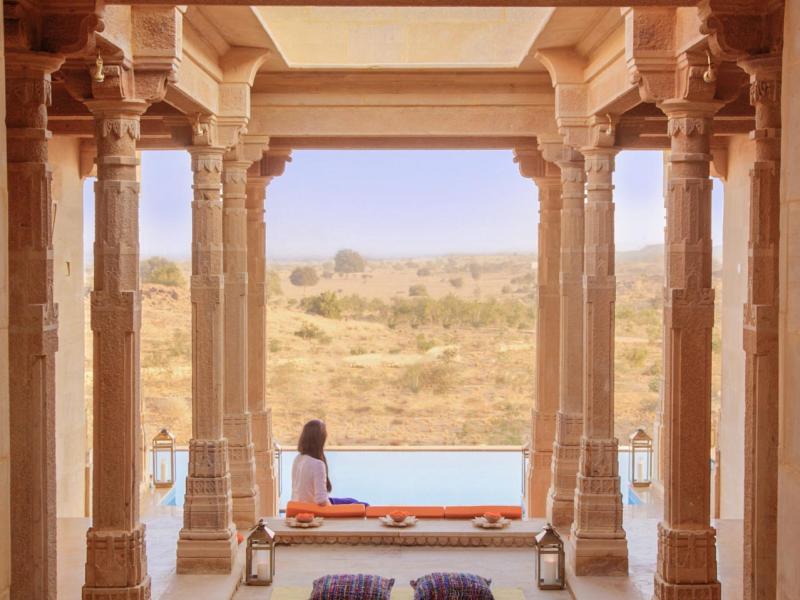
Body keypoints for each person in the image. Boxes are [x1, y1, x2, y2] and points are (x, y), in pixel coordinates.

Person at [291, 419, 368, 506]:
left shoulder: (298, 458)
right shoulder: (317, 464)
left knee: (351, 500)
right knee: (364, 505)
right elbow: (321, 500)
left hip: (300, 506)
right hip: (314, 510)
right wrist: (334, 511)